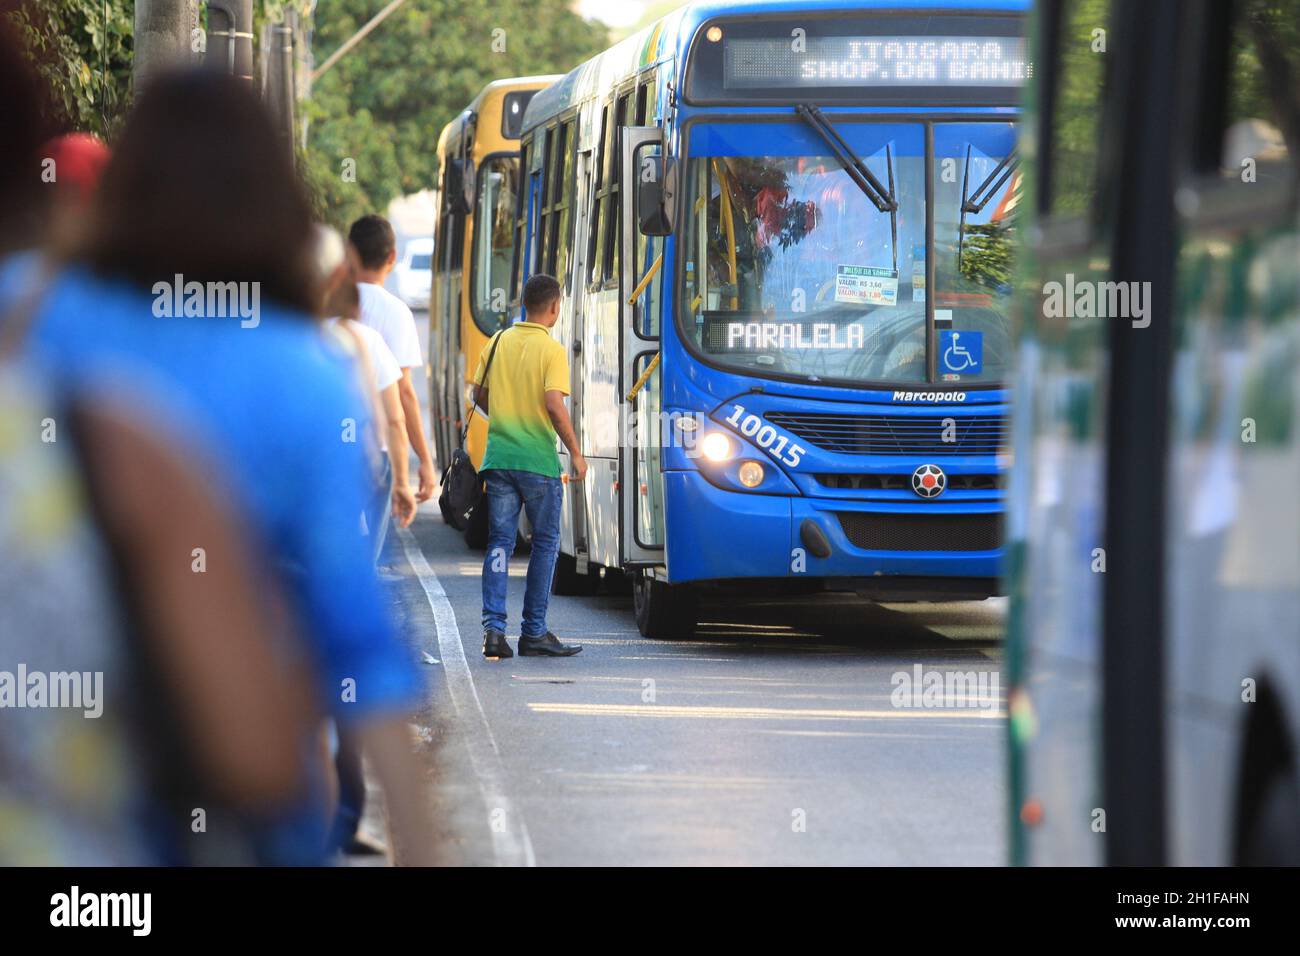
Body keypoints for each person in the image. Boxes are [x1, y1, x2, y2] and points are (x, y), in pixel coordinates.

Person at [15, 69, 434, 864]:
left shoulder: (31, 317)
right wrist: (423, 842)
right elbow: (357, 642)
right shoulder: (302, 374)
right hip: (238, 806)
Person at [471, 273, 586, 660]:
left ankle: (493, 632)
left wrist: (505, 419)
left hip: (499, 458)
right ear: (555, 307)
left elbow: (478, 394)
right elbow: (554, 405)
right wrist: (577, 451)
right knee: (545, 544)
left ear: (523, 302)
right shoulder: (551, 350)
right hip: (537, 461)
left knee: (500, 543)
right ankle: (534, 632)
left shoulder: (498, 340)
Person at [311, 223, 416, 558]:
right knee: (364, 565)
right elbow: (394, 417)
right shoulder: (367, 340)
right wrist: (401, 480)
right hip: (369, 458)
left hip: (317, 455)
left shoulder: (297, 336)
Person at [347, 214, 436, 505]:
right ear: (393, 257)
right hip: (375, 451)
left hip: (324, 447)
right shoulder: (397, 312)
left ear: (350, 253)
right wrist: (423, 459)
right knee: (369, 548)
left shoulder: (324, 307)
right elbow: (405, 394)